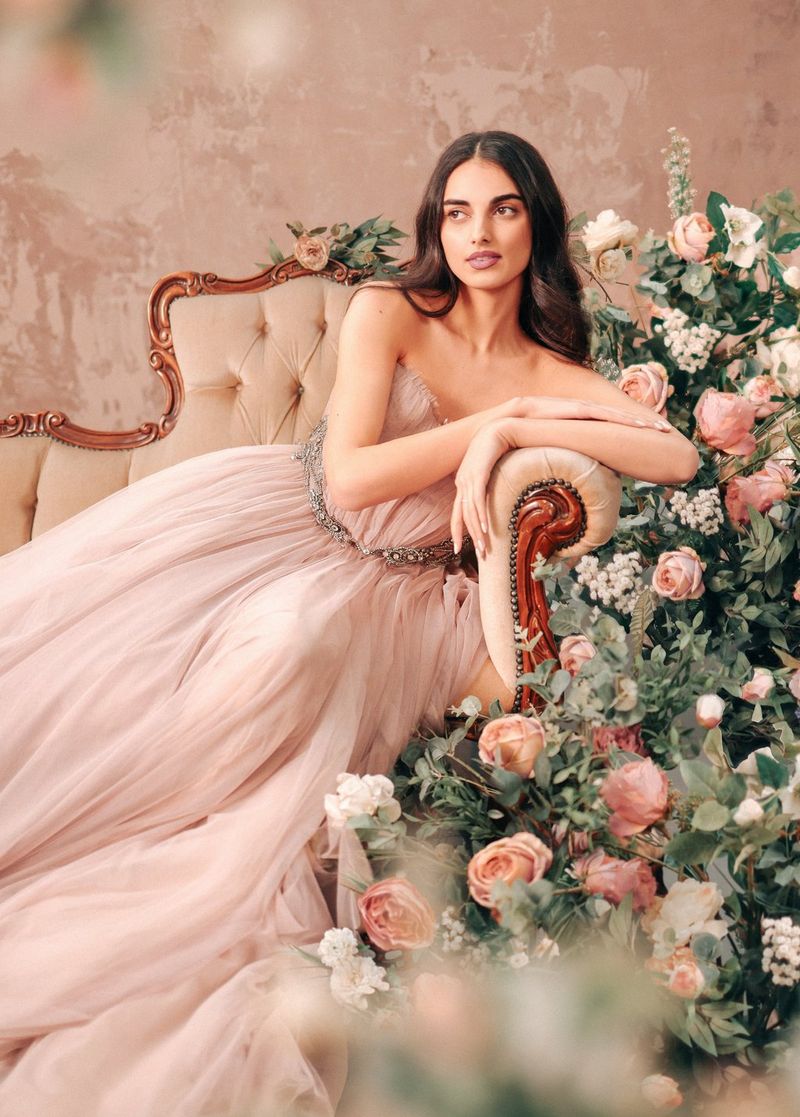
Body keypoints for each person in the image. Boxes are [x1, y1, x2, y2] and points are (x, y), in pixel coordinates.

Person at [0, 130, 698, 1115]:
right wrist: (484, 425)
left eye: (501, 208)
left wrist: (518, 423)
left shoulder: (546, 368)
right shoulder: (393, 313)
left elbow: (670, 455)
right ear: (435, 227)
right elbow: (351, 474)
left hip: (407, 599)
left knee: (295, 650)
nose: (476, 233)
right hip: (285, 530)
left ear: (534, 222)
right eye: (456, 212)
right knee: (212, 645)